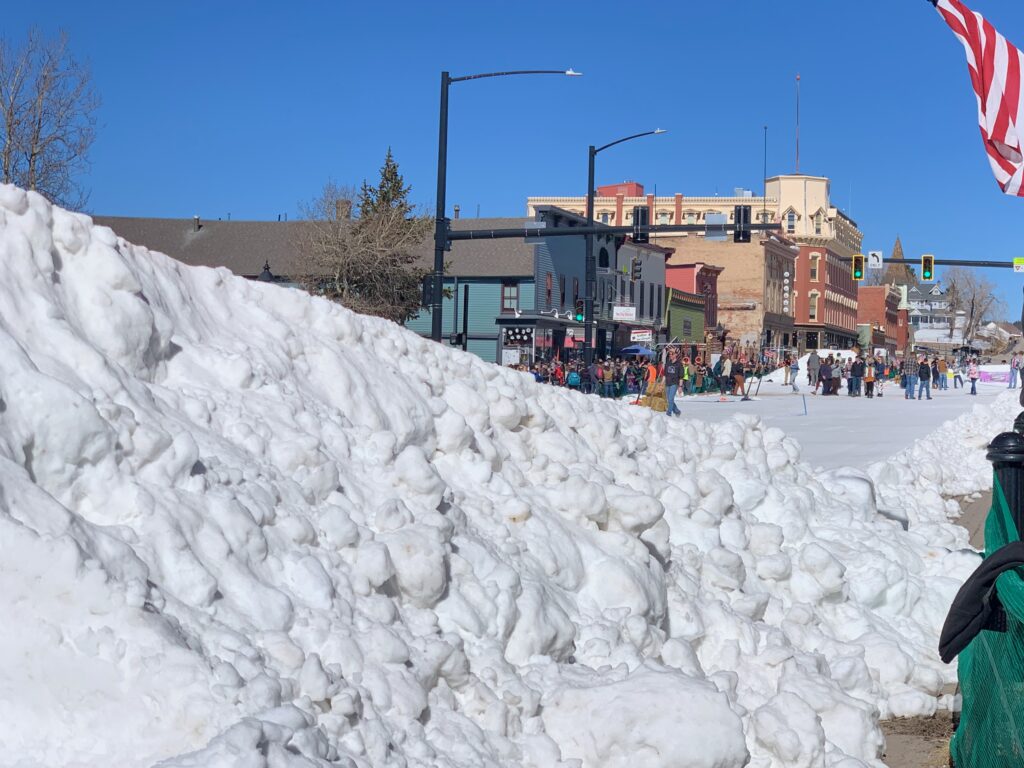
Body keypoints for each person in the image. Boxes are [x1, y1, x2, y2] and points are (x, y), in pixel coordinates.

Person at [664, 348, 682, 416]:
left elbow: (681, 377)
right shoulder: (668, 363)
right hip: (667, 383)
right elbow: (665, 375)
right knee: (669, 400)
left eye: (672, 354)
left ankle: (668, 413)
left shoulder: (679, 364)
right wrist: (662, 383)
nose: (670, 355)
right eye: (669, 354)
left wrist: (680, 386)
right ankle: (677, 411)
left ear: (676, 355)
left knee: (671, 398)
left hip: (674, 383)